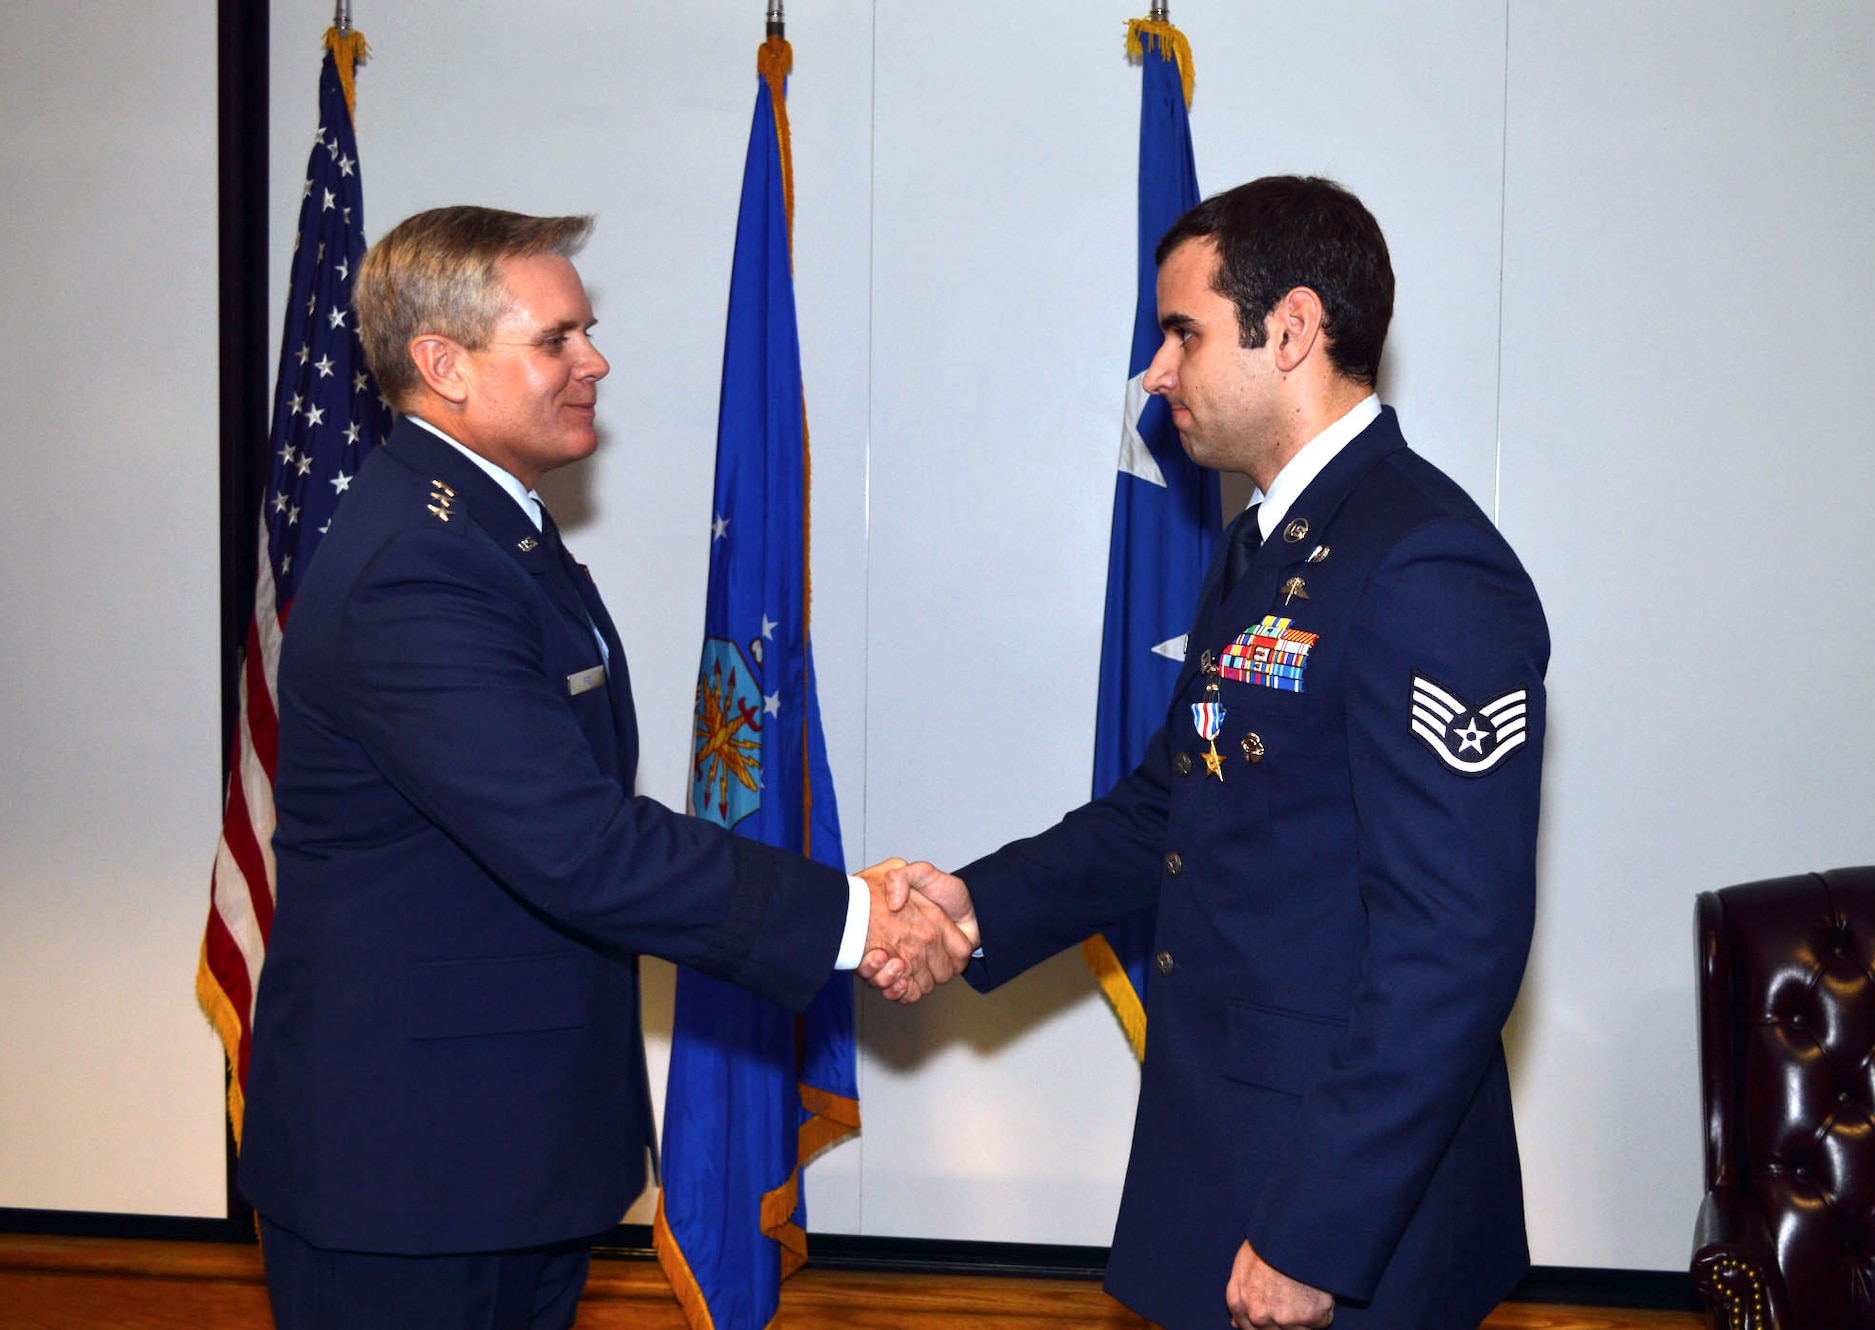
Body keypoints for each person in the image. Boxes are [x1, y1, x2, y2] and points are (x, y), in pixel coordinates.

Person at [236, 206, 969, 1329]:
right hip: (411, 1177)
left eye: (587, 331)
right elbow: (579, 842)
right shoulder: (415, 568)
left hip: (500, 1154)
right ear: (442, 365)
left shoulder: (488, 531)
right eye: (557, 339)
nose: (595, 360)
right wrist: (857, 919)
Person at [871, 176, 1549, 1330]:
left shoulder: (1425, 563)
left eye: (1180, 332)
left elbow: (1453, 944)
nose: (1154, 370)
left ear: (1288, 329)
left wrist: (1316, 1233)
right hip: (1232, 1145)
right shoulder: (1265, 542)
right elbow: (1169, 809)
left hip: (1344, 1211)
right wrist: (971, 905)